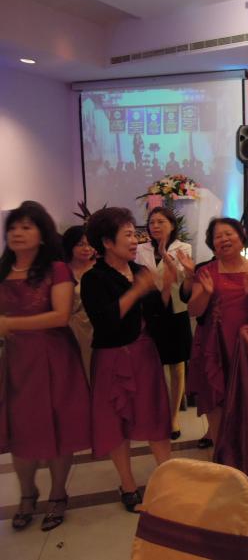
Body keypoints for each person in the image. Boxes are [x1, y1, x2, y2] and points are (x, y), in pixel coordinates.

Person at [0, 202, 91, 531]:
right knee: (21, 430)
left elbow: (60, 316)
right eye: (13, 228)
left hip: (55, 359)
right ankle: (27, 493)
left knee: (59, 426)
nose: (18, 233)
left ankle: (57, 493)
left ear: (42, 234)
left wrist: (9, 324)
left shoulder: (57, 269)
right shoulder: (2, 271)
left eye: (26, 227)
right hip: (17, 362)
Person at [81, 207, 173, 512]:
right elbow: (105, 322)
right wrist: (136, 291)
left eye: (136, 234)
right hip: (113, 358)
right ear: (107, 242)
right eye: (128, 235)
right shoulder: (94, 278)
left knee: (155, 416)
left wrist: (166, 286)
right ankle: (128, 485)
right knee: (116, 421)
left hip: (145, 354)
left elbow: (156, 314)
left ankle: (170, 478)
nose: (135, 241)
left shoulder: (139, 270)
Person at [182, 218, 248, 450]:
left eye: (228, 234)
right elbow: (194, 310)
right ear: (212, 244)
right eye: (218, 236)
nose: (224, 239)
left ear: (241, 237)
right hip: (215, 344)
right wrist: (206, 293)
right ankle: (220, 455)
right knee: (216, 401)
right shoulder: (206, 271)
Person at [135, 206, 192, 441]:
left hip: (175, 309)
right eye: (152, 222)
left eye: (161, 222)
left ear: (172, 225)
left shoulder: (183, 248)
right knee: (152, 362)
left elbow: (182, 278)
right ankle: (155, 411)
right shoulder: (140, 249)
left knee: (177, 364)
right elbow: (140, 279)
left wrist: (165, 256)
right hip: (151, 310)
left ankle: (174, 415)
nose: (155, 226)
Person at [62, 224, 96, 380]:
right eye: (80, 244)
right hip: (69, 328)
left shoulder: (99, 268)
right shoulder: (62, 271)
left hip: (95, 326)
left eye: (89, 244)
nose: (86, 249)